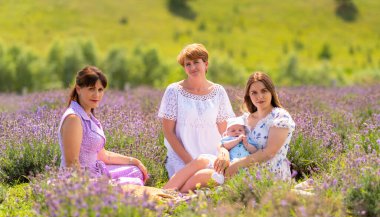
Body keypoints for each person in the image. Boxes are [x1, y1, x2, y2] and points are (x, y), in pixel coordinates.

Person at [164, 71, 296, 193]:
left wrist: (238, 164)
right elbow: (224, 139)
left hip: (265, 171)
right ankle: (162, 193)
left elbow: (270, 152)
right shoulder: (246, 118)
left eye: (264, 91)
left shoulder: (279, 116)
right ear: (249, 96)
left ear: (271, 92)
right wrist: (223, 153)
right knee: (201, 159)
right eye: (254, 93)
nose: (259, 96)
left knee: (202, 175)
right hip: (238, 164)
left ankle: (173, 199)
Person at [58, 66, 149, 186]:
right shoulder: (73, 119)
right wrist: (94, 186)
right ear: (79, 89)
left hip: (96, 172)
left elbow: (103, 155)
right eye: (91, 89)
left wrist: (135, 161)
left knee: (136, 171)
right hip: (79, 180)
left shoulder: (88, 116)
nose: (96, 94)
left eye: (100, 90)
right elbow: (71, 164)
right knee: (135, 182)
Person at [158, 43, 235, 178]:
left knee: (216, 180)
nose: (192, 67)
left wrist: (224, 153)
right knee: (201, 182)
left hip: (213, 155)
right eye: (188, 64)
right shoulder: (174, 91)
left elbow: (225, 131)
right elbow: (168, 132)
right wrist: (190, 163)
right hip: (183, 157)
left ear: (206, 64)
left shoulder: (218, 91)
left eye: (196, 62)